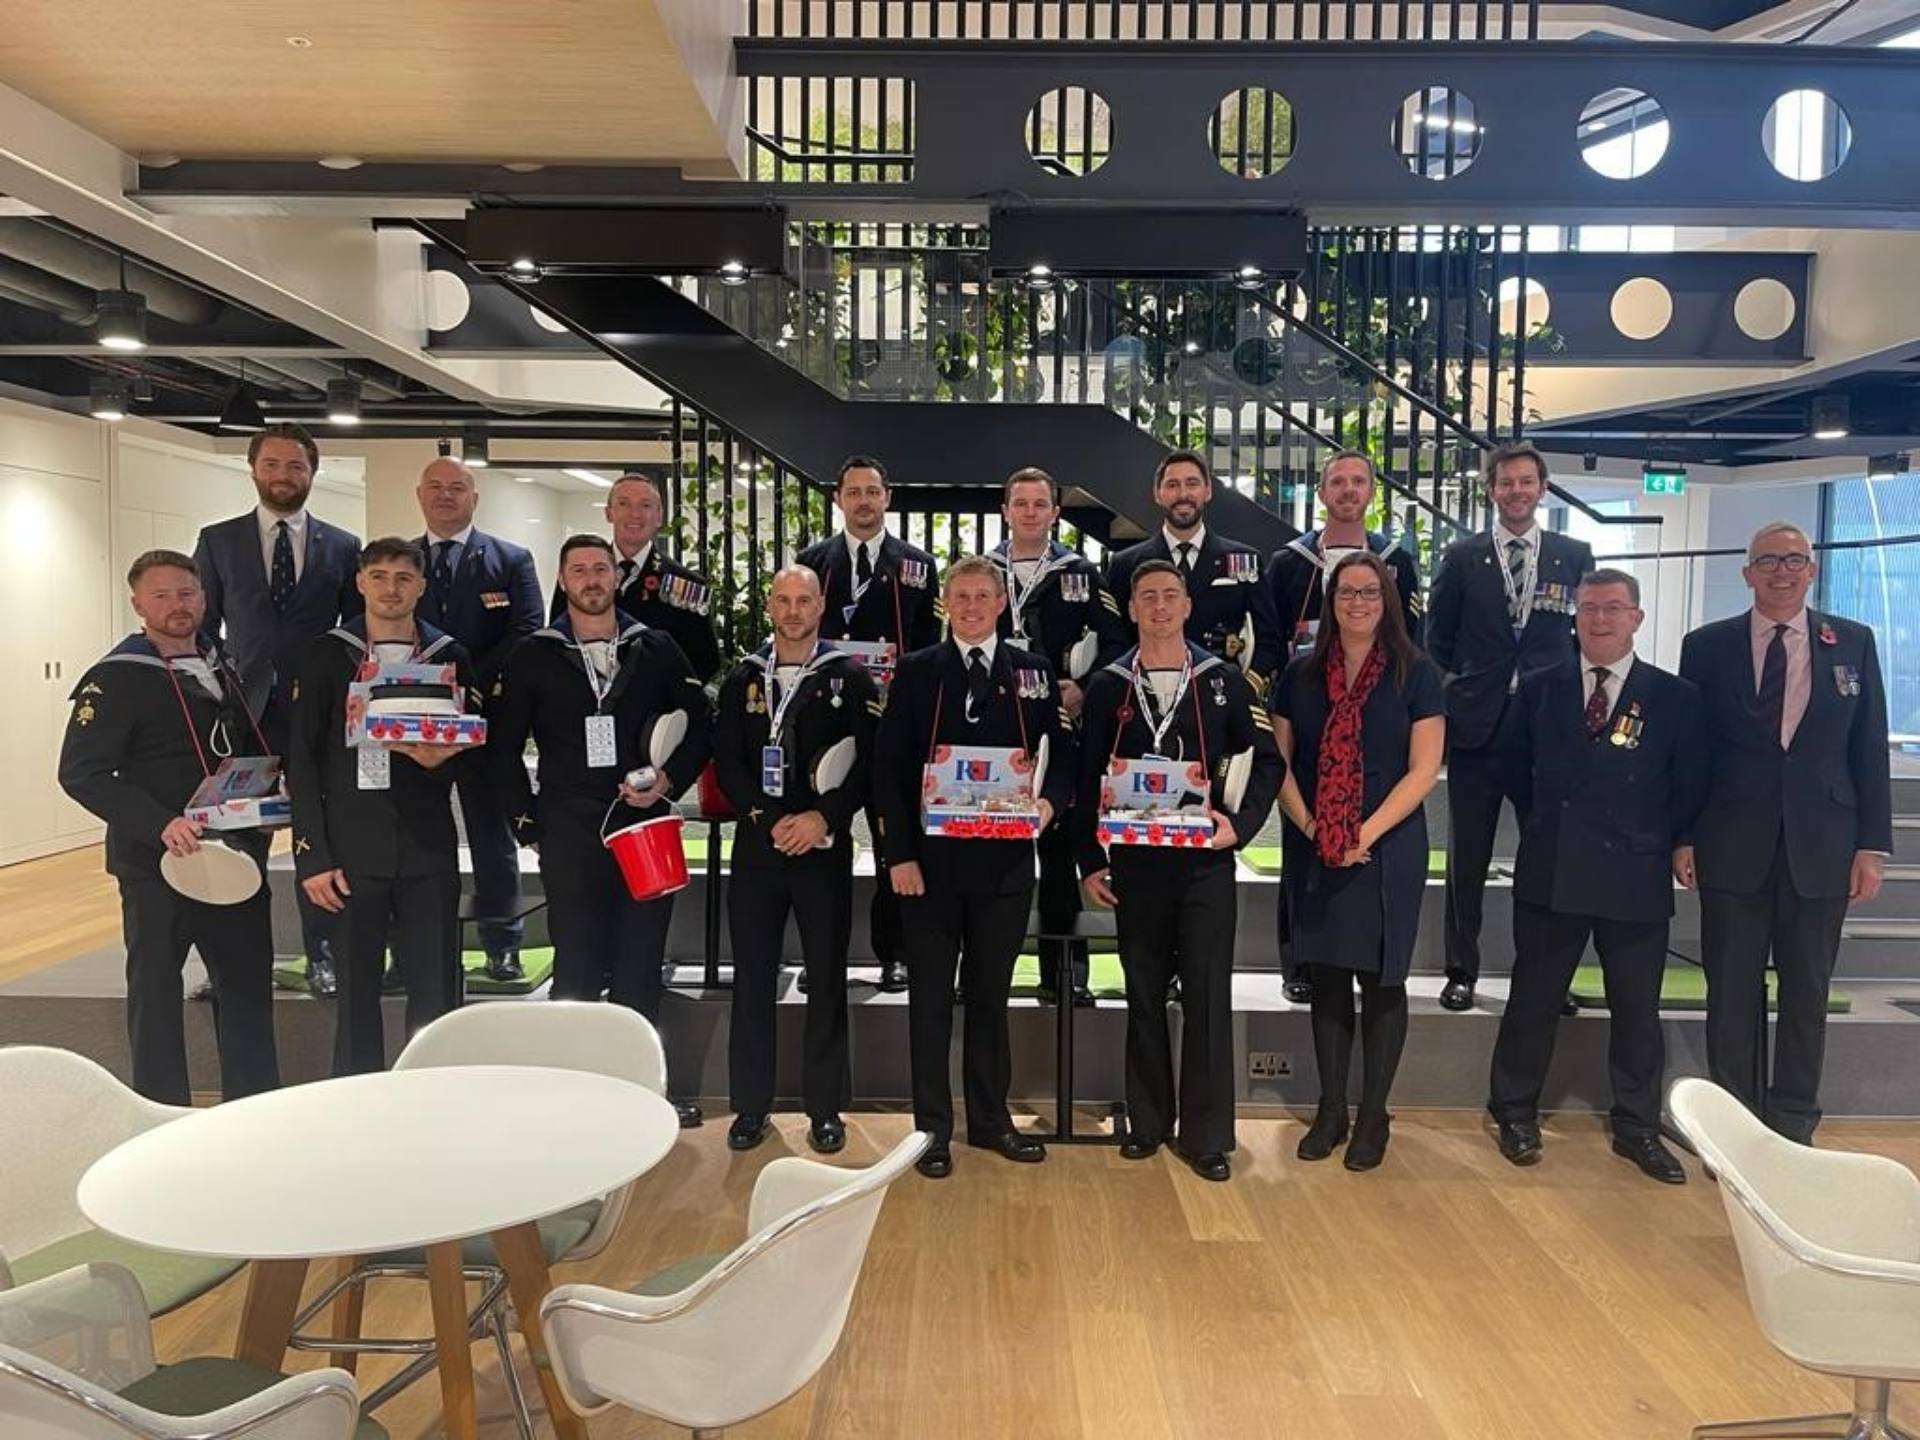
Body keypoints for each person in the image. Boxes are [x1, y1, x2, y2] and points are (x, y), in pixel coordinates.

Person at [1488, 570, 1707, 1182]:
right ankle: (1514, 1111)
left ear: (1636, 617)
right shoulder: (1538, 689)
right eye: (1589, 609)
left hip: (1635, 873)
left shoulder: (1675, 697)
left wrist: (1681, 841)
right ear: (1575, 617)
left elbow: (1689, 781)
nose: (1600, 619)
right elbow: (1513, 768)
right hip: (1552, 867)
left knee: (1637, 1010)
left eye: (1613, 608)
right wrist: (1547, 826)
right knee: (1533, 1000)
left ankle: (1637, 1126)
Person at [1678, 522, 1891, 1144]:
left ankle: (1794, 1123)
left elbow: (1868, 748)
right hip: (1730, 843)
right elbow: (1694, 752)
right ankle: (1735, 1126)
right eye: (1768, 560)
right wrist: (1685, 835)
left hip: (1822, 847)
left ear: (1812, 571)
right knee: (1731, 993)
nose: (1781, 571)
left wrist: (1870, 848)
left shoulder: (1851, 642)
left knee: (1807, 992)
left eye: (1794, 560)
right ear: (1748, 573)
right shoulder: (1707, 646)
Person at [490, 534, 712, 1127]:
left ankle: (643, 1095)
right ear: (562, 581)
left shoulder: (657, 647)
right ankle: (573, 1097)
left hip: (644, 824)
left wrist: (667, 781)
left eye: (600, 569)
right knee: (577, 964)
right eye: (578, 570)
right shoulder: (534, 654)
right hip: (567, 828)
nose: (591, 579)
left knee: (643, 962)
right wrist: (527, 826)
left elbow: (701, 726)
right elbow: (502, 748)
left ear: (616, 577)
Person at [1076, 560, 1281, 1182]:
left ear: (1188, 606)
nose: (1160, 607)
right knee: (1142, 997)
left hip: (1205, 869)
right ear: (1132, 609)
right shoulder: (1110, 686)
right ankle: (1147, 1122)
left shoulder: (1225, 681)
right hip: (1136, 868)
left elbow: (1267, 762)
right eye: (1148, 598)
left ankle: (1209, 1135)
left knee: (1207, 1000)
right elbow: (1086, 780)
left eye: (1171, 596)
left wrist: (1238, 827)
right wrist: (1090, 861)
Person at [873, 556, 1074, 1179]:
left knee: (990, 998)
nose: (971, 606)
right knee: (929, 1003)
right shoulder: (915, 673)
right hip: (927, 871)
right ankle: (930, 1131)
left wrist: (1049, 804)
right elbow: (887, 769)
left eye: (983, 595)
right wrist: (898, 855)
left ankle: (990, 1122)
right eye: (960, 596)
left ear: (999, 603)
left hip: (1005, 868)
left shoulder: (1034, 673)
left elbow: (1064, 755)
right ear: (946, 604)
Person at [58, 550, 281, 1104]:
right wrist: (159, 823)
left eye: (185, 594)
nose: (176, 606)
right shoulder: (116, 677)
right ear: (137, 604)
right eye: (161, 596)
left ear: (203, 598)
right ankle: (159, 1110)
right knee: (156, 993)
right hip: (158, 864)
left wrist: (272, 791)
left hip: (232, 857)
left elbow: (241, 748)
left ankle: (254, 1106)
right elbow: (81, 773)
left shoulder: (219, 662)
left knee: (247, 987)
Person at [1273, 551, 1445, 1172]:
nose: (1358, 604)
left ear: (1387, 600)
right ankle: (1330, 1111)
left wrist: (1362, 831)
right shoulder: (1299, 673)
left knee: (1381, 983)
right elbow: (1281, 763)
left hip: (1387, 844)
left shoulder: (1415, 672)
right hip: (1317, 841)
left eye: (1370, 593)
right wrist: (1317, 827)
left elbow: (1424, 769)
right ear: (1331, 600)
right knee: (1327, 984)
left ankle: (1374, 1114)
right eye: (1347, 593)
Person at [285, 538, 476, 1076]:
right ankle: (356, 1099)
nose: (391, 588)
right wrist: (311, 857)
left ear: (421, 586)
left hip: (427, 849)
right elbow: (301, 761)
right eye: (380, 576)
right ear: (361, 583)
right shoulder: (326, 653)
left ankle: (432, 1090)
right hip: (349, 850)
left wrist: (444, 761)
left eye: (403, 578)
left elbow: (474, 753)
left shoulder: (449, 657)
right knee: (355, 992)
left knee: (435, 992)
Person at [713, 566, 881, 1155]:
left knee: (827, 981)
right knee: (752, 980)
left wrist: (822, 819)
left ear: (820, 605)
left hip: (821, 852)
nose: (792, 611)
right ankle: (750, 1107)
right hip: (759, 850)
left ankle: (824, 1109)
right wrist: (765, 816)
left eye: (803, 600)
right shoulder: (743, 677)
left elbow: (869, 763)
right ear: (769, 606)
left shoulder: (852, 677)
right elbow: (727, 760)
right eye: (782, 600)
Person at [194, 423, 363, 995]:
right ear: (253, 469)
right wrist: (219, 693)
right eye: (273, 465)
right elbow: (202, 628)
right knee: (241, 844)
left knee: (320, 838)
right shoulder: (218, 541)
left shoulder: (342, 547)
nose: (284, 476)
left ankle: (322, 955)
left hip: (317, 716)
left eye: (296, 466)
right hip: (244, 716)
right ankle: (234, 964)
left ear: (313, 473)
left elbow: (354, 633)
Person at [1425, 441, 1593, 1012]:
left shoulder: (1574, 555)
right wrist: (1461, 689)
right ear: (1491, 490)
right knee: (1465, 859)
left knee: (1547, 858)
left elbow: (1583, 637)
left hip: (1546, 730)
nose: (1516, 491)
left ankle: (1543, 976)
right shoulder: (1462, 557)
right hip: (1477, 728)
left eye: (1526, 481)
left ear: (1542, 487)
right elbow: (1437, 640)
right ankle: (1460, 971)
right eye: (1506, 483)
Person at [1267, 449, 1422, 1005]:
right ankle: (1298, 960)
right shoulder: (1288, 562)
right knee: (1297, 852)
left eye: (1359, 481)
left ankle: (1372, 954)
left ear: (1371, 493)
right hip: (1309, 706)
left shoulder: (1396, 561)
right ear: (1322, 492)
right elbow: (1267, 640)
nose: (1349, 490)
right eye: (1338, 482)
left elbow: (1412, 637)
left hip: (1374, 709)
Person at [987, 466, 1130, 1008]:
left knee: (1062, 851)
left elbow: (1117, 645)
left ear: (1055, 512)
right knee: (987, 853)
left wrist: (1083, 688)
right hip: (998, 732)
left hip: (1061, 729)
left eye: (1039, 504)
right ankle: (982, 971)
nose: (1029, 512)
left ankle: (1066, 973)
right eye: (1019, 503)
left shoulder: (1082, 573)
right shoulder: (983, 572)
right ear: (1005, 510)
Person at [797, 456, 941, 994]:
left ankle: (895, 954)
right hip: (826, 720)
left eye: (872, 491)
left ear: (887, 499)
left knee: (893, 839)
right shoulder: (814, 561)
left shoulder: (917, 566)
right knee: (823, 840)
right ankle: (821, 957)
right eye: (853, 491)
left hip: (893, 720)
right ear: (838, 499)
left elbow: (929, 647)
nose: (863, 501)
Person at [411, 457, 543, 983]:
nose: (446, 496)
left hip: (486, 721)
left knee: (492, 838)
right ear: (420, 495)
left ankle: (501, 945)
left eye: (457, 488)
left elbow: (527, 628)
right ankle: (417, 945)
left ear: (474, 498)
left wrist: (464, 683)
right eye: (436, 488)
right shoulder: (402, 560)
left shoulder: (510, 559)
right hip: (414, 728)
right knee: (416, 841)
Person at [1105, 448, 1284, 700]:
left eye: (1192, 483)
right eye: (1172, 485)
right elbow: (1114, 638)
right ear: (1158, 494)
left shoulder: (1244, 561)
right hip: (1148, 696)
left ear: (1208, 491)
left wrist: (1245, 688)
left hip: (1220, 697)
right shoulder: (1126, 565)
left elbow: (1269, 639)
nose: (1183, 494)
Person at [547, 471, 721, 681]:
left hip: (655, 708)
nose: (635, 514)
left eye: (645, 505)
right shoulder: (577, 577)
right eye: (624, 504)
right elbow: (556, 644)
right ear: (608, 513)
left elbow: (705, 660)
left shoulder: (687, 585)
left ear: (659, 516)